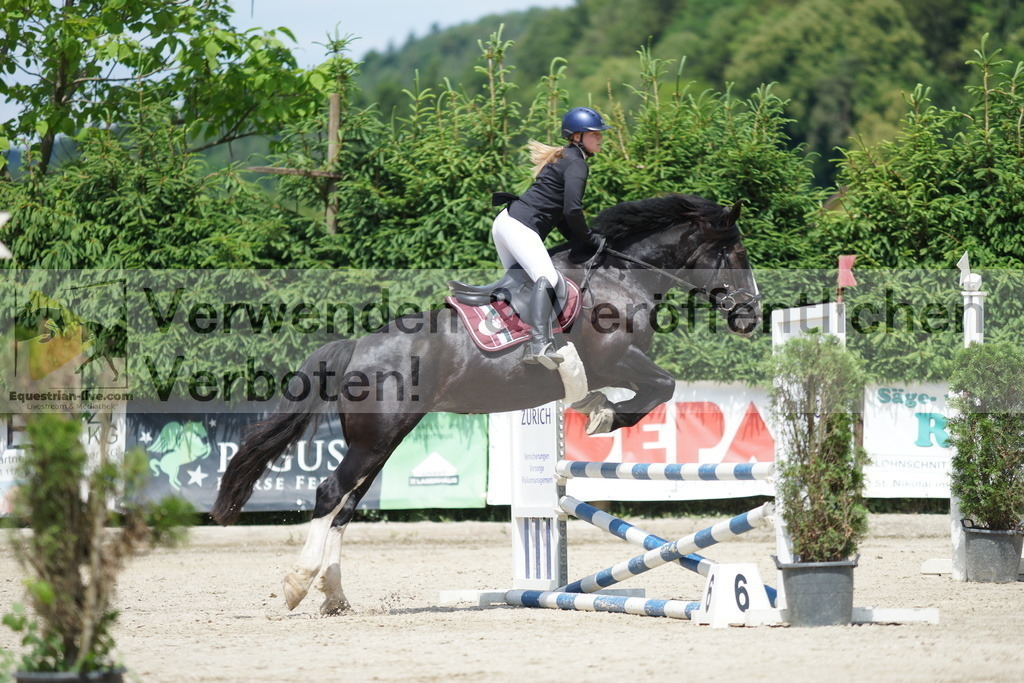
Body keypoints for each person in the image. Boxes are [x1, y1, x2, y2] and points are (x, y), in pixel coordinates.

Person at [492, 106, 610, 369]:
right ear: (578, 136)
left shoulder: (565, 157)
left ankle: (512, 339)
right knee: (550, 279)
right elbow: (572, 210)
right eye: (595, 133)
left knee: (523, 285)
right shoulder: (577, 163)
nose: (601, 137)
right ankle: (537, 345)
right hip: (518, 226)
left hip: (506, 223)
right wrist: (590, 239)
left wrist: (580, 242)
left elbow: (560, 216)